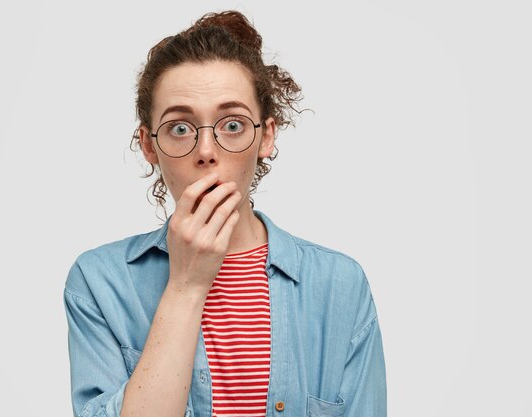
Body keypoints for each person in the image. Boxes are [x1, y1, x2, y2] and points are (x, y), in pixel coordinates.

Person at [64, 10, 386, 417]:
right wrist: (185, 285)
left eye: (232, 125)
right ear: (149, 146)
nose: (206, 152)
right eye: (180, 128)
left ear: (265, 136)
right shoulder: (98, 282)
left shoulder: (341, 285)